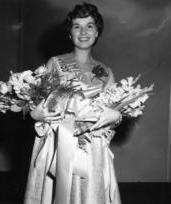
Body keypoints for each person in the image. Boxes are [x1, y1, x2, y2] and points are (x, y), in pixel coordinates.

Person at [24, 3, 122, 204]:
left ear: (97, 32)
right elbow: (32, 102)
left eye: (90, 26)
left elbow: (113, 115)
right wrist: (36, 114)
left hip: (92, 147)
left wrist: (117, 117)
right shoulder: (55, 63)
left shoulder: (106, 72)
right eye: (77, 26)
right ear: (70, 33)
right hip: (58, 144)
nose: (83, 31)